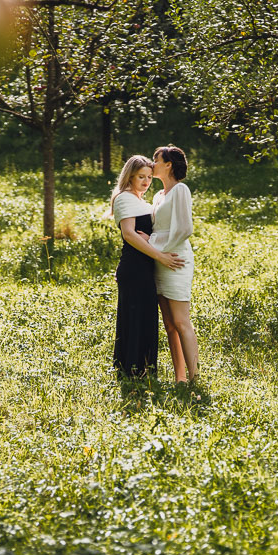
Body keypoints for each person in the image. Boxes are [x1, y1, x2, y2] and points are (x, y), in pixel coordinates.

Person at [109, 155, 185, 378]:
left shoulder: (142, 201)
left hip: (146, 266)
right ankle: (131, 370)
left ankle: (143, 369)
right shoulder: (124, 198)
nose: (146, 181)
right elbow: (129, 235)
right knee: (134, 317)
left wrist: (154, 241)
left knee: (146, 317)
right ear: (129, 176)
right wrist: (161, 256)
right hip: (134, 268)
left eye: (149, 177)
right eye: (140, 177)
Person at [148, 145, 199, 384]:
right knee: (169, 324)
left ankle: (195, 377)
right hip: (159, 260)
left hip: (175, 259)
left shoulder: (181, 190)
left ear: (168, 164)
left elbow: (185, 228)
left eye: (155, 160)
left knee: (181, 321)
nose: (151, 164)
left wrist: (164, 252)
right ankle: (180, 378)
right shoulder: (158, 196)